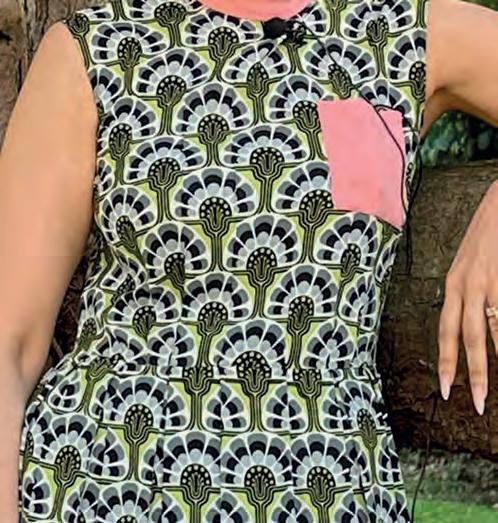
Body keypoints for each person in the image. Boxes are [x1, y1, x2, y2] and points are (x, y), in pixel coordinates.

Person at [1, 0, 497, 520]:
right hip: (110, 485)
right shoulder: (93, 50)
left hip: (330, 487)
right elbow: (10, 342)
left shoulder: (404, 33)